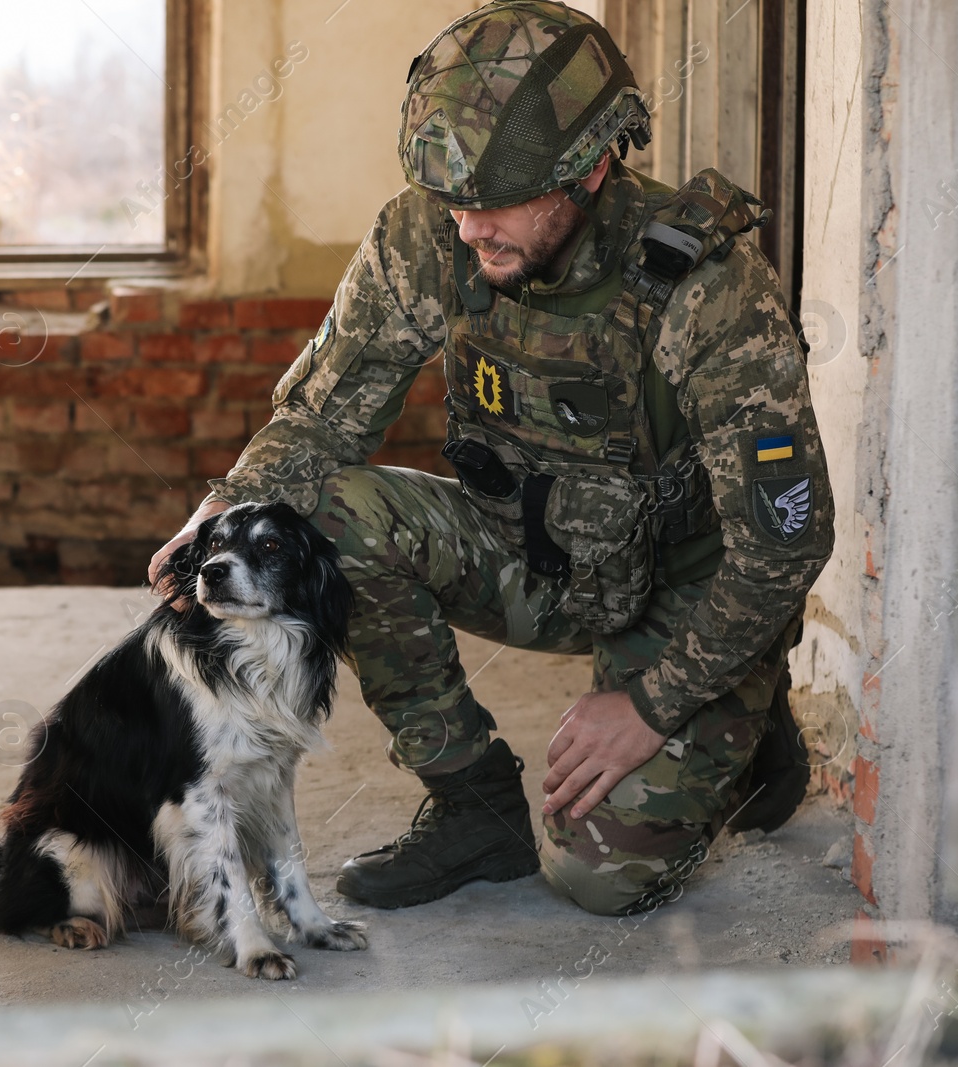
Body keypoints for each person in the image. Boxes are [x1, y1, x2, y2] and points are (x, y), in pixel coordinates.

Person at [149, 0, 833, 916]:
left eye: (497, 201)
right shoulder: (429, 235)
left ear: (589, 169)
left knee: (601, 874)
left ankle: (746, 724)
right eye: (455, 201)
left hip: (681, 588)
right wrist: (223, 507)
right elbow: (319, 419)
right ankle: (473, 805)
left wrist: (654, 704)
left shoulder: (705, 287)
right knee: (321, 512)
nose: (470, 228)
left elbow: (784, 545)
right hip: (529, 554)